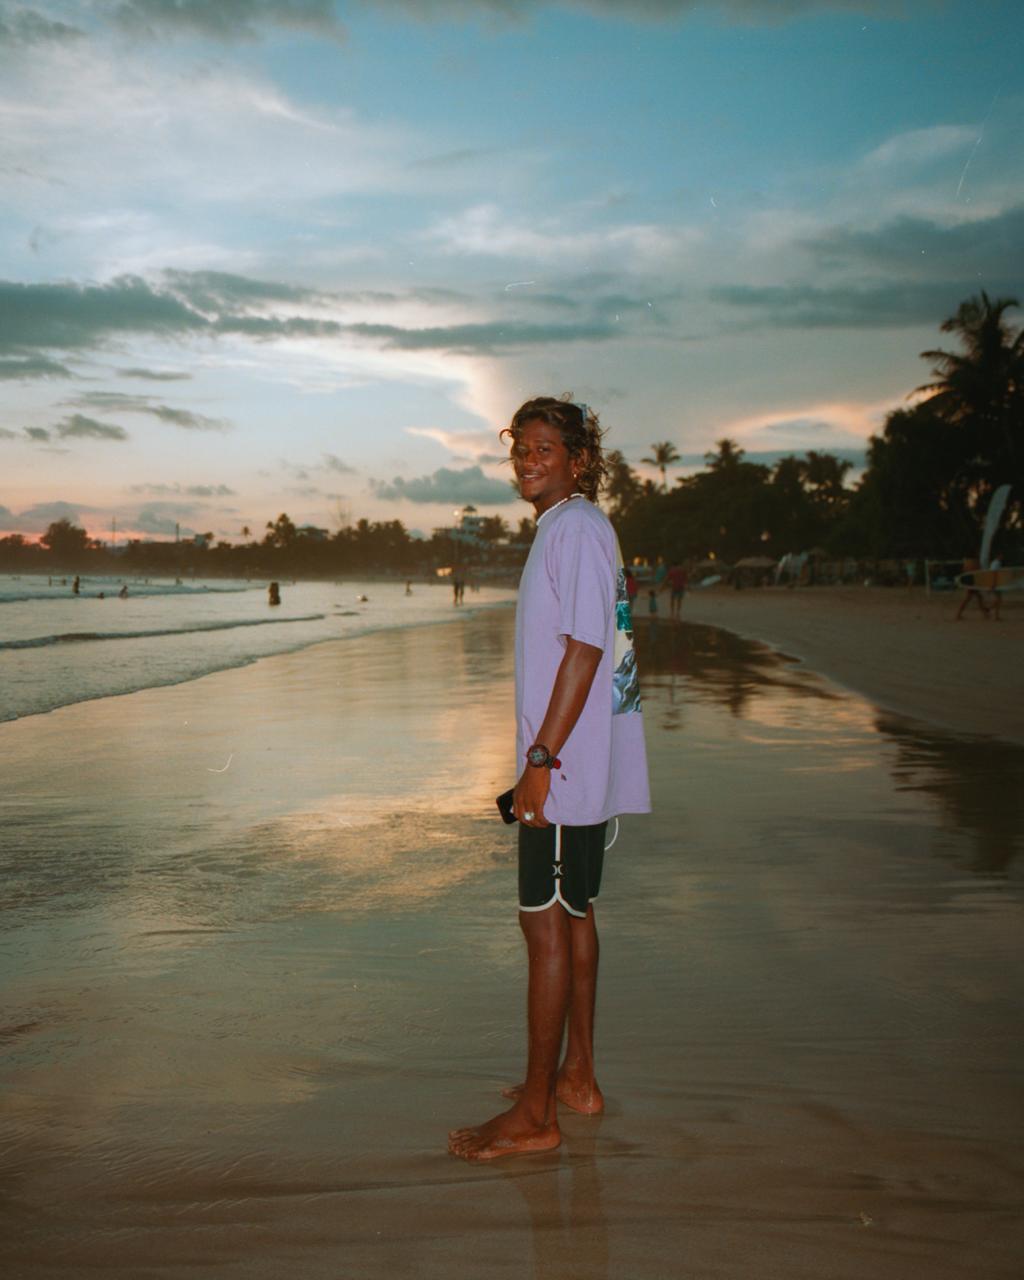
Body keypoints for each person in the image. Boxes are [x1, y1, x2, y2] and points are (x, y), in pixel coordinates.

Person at [448, 396, 651, 1163]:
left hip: (561, 770)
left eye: (544, 447)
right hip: (573, 765)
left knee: (544, 923)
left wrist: (537, 765)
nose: (528, 459)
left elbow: (585, 651)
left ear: (577, 459)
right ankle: (576, 1078)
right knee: (572, 915)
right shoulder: (573, 530)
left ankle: (537, 1114)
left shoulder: (575, 530)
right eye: (520, 446)